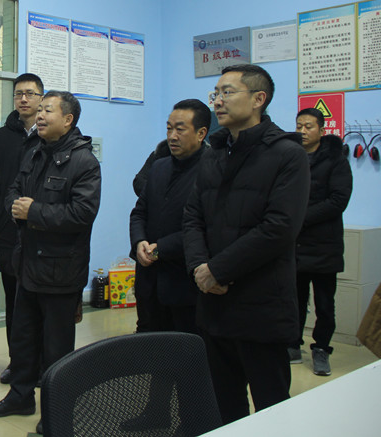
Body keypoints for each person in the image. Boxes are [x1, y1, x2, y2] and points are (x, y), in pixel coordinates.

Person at [183, 64, 309, 425]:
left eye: (227, 92)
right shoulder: (214, 153)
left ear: (258, 99)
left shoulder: (287, 154)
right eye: (216, 93)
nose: (218, 101)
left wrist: (218, 270)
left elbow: (279, 228)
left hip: (261, 307)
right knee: (224, 407)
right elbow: (192, 217)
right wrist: (199, 268)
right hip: (214, 306)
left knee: (272, 410)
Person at [0, 91, 101, 434]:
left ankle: (57, 409)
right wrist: (17, 206)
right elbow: (13, 190)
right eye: (41, 109)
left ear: (68, 119)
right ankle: (20, 396)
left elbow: (82, 213)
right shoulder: (34, 151)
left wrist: (33, 211)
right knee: (22, 340)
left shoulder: (84, 162)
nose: (40, 115)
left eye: (48, 110)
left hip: (61, 270)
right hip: (28, 265)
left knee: (56, 348)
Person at [0, 72, 43, 384]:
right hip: (7, 232)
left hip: (43, 233)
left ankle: (43, 364)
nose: (24, 99)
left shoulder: (51, 135)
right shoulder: (0, 138)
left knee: (40, 303)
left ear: (41, 98)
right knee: (15, 302)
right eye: (19, 93)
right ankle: (17, 363)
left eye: (30, 93)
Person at [129, 99, 210, 336]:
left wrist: (158, 249)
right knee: (148, 342)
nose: (172, 136)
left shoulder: (212, 170)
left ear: (201, 133)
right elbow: (139, 212)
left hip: (184, 282)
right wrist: (139, 242)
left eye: (180, 129)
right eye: (169, 128)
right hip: (148, 280)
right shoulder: (159, 167)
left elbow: (205, 227)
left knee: (183, 347)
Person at [290, 108, 352, 376]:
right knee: (294, 299)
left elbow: (338, 200)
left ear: (322, 130)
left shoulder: (336, 160)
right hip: (295, 244)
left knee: (325, 304)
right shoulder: (291, 157)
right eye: (299, 126)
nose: (303, 131)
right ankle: (293, 344)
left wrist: (300, 217)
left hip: (325, 244)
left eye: (309, 126)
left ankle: (322, 349)